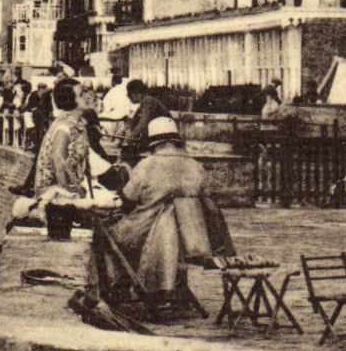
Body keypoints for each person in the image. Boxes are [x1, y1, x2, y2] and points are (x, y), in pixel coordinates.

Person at [86, 117, 236, 320]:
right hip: (190, 236)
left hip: (145, 231)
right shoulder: (195, 166)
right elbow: (208, 200)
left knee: (107, 236)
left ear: (153, 143)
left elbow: (127, 199)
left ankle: (120, 286)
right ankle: (170, 288)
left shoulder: (147, 165)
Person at [33, 78, 91, 239]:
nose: (87, 96)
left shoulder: (74, 123)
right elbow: (58, 158)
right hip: (53, 194)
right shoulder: (64, 126)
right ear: (70, 100)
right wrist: (71, 190)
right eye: (82, 93)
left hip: (64, 189)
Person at [120, 79, 172, 165]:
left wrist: (131, 135)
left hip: (163, 138)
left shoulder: (148, 101)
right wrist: (125, 131)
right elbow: (133, 120)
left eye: (130, 95)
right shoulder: (145, 102)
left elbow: (143, 122)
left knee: (129, 152)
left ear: (134, 94)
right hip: (161, 137)